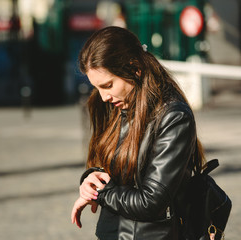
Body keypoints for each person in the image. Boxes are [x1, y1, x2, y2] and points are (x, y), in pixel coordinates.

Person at [70, 26, 206, 240]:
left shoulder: (173, 117)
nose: (104, 96)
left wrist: (102, 193)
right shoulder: (115, 105)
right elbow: (117, 168)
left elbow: (151, 202)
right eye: (98, 88)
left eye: (108, 85)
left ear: (134, 68)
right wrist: (92, 179)